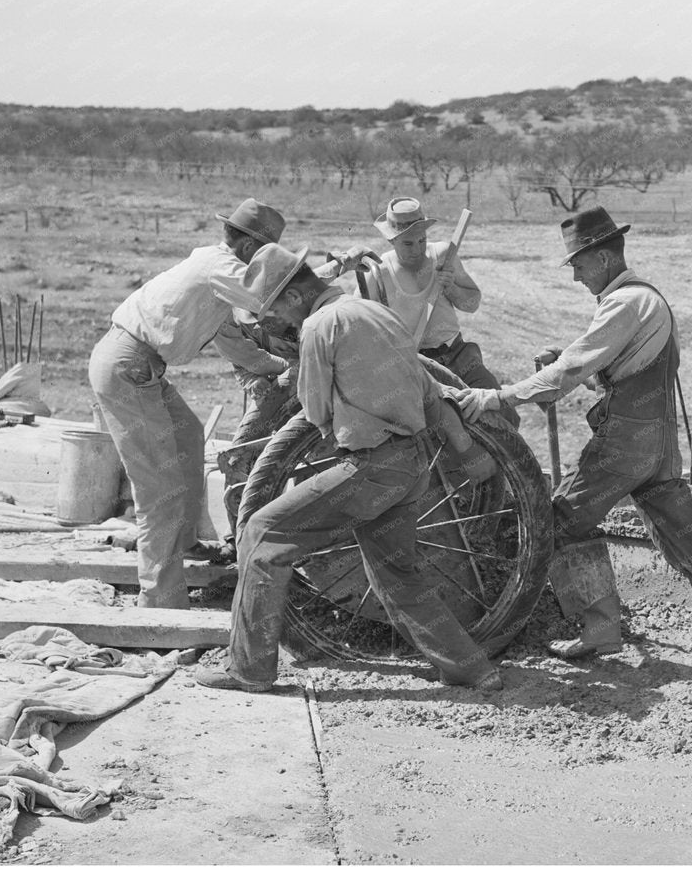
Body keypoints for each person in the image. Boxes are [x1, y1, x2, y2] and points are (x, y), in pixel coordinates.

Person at [196, 244, 502, 694]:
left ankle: (249, 670)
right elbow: (428, 390)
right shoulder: (375, 313)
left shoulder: (320, 326)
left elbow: (315, 411)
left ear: (295, 297)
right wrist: (464, 449)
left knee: (262, 533)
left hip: (370, 468)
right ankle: (475, 669)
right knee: (398, 575)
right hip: (412, 466)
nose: (276, 321)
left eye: (275, 309)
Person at [451, 207, 692, 668]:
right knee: (687, 543)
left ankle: (601, 632)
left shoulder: (623, 302)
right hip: (659, 444)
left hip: (624, 443)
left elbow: (570, 371)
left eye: (579, 266)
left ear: (604, 259)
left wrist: (499, 396)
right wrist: (573, 366)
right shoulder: (647, 299)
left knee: (561, 521)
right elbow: (612, 369)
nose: (576, 278)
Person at [88, 199, 293, 610]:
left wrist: (285, 367)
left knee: (187, 437)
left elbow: (238, 346)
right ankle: (160, 598)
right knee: (157, 489)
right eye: (267, 254)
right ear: (252, 247)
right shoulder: (219, 269)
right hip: (128, 367)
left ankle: (184, 543)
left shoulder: (216, 280)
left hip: (139, 364)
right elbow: (268, 297)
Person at [215, 246, 378, 553]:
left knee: (321, 450)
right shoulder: (232, 323)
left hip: (323, 370)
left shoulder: (300, 295)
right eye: (258, 317)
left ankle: (323, 538)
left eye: (271, 314)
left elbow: (319, 276)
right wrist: (254, 381)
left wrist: (345, 260)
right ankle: (238, 538)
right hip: (286, 378)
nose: (267, 321)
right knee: (240, 452)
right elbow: (240, 363)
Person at [360, 196, 515, 427]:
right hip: (417, 365)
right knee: (437, 428)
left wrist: (450, 286)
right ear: (392, 241)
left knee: (504, 414)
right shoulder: (378, 273)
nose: (417, 249)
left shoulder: (444, 255)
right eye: (408, 244)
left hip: (458, 355)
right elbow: (358, 324)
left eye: (422, 240)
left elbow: (472, 304)